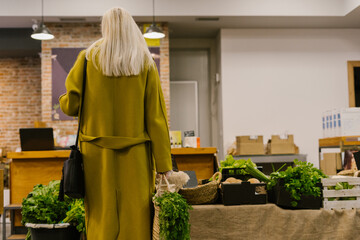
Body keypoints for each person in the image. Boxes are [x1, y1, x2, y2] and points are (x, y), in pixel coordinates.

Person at [59, 7, 172, 240]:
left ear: (106, 27)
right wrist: (163, 165)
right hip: (136, 155)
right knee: (136, 217)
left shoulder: (88, 58)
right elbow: (156, 118)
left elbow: (70, 106)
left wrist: (64, 99)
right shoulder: (144, 62)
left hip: (96, 155)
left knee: (100, 216)